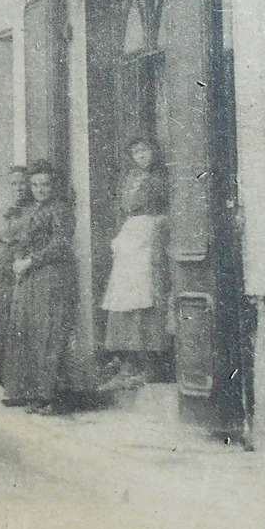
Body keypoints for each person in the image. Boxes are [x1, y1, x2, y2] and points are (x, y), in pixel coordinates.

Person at [0, 161, 80, 412]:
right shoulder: (31, 209)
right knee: (25, 331)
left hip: (52, 276)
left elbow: (60, 244)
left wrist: (30, 261)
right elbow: (22, 238)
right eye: (34, 184)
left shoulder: (61, 210)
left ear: (54, 185)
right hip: (30, 276)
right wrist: (17, 257)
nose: (39, 189)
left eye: (45, 184)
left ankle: (49, 396)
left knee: (48, 334)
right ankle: (28, 391)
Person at [99, 137, 170, 383]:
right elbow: (124, 207)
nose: (141, 156)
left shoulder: (161, 178)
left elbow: (167, 209)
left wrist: (160, 221)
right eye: (136, 152)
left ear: (154, 152)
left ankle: (152, 360)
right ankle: (130, 359)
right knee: (125, 295)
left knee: (146, 295)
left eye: (145, 150)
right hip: (131, 236)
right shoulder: (129, 179)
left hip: (151, 234)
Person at [0, 166, 32, 382]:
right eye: (14, 184)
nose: (19, 188)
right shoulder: (7, 210)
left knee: (20, 318)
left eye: (22, 182)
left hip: (25, 266)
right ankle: (2, 371)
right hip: (7, 267)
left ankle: (21, 373)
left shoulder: (33, 209)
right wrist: (5, 252)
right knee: (3, 314)